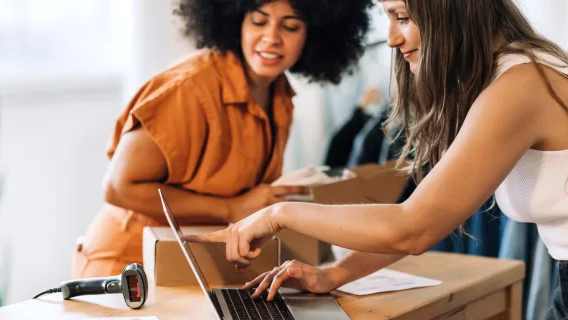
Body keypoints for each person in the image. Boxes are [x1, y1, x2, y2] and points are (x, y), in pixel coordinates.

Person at [182, 0, 568, 317]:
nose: (390, 38)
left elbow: (414, 228)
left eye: (402, 17)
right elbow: (424, 215)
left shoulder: (519, 86)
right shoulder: (510, 75)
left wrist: (278, 214)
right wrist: (331, 275)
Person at [71, 0, 375, 278]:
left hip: (190, 268)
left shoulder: (280, 93)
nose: (271, 37)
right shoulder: (188, 88)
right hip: (126, 268)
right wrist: (232, 207)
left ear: (315, 34)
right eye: (258, 21)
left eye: (290, 26)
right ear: (235, 22)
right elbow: (118, 187)